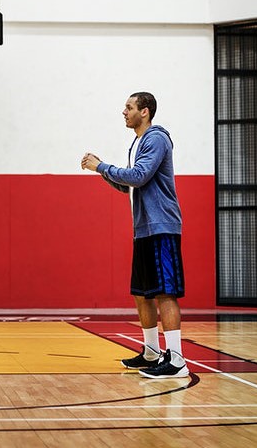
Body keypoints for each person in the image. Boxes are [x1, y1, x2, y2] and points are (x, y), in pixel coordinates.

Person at [81, 92, 189, 379]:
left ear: (145, 111)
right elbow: (130, 185)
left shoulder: (155, 138)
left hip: (161, 226)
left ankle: (177, 360)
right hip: (143, 229)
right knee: (142, 294)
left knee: (165, 293)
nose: (124, 111)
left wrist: (102, 167)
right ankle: (152, 351)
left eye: (129, 107)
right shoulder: (139, 142)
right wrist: (104, 172)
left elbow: (138, 176)